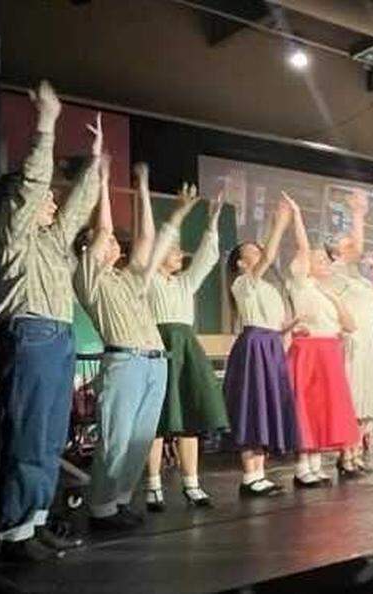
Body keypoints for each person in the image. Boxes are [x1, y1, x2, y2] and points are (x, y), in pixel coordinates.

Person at [0, 81, 98, 560]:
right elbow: (34, 187)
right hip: (30, 334)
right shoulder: (11, 235)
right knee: (29, 436)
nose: (53, 203)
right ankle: (14, 532)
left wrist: (98, 164)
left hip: (58, 337)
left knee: (51, 438)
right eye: (43, 200)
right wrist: (47, 124)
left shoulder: (52, 244)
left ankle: (34, 522)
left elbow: (76, 212)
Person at [74, 156, 187, 532]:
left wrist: (140, 188)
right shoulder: (90, 278)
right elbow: (103, 230)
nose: (111, 245)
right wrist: (104, 183)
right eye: (101, 243)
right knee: (117, 439)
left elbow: (147, 241)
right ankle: (102, 508)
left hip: (154, 361)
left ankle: (119, 501)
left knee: (139, 440)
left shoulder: (127, 280)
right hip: (125, 362)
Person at [143, 167, 229, 512]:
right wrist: (179, 215)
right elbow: (160, 244)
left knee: (189, 418)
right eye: (174, 249)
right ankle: (153, 486)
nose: (179, 253)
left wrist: (211, 223)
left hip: (185, 347)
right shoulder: (148, 281)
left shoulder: (183, 284)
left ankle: (192, 484)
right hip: (159, 345)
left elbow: (207, 259)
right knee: (160, 420)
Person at [223, 193, 301, 496]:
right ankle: (249, 475)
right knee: (252, 406)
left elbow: (276, 325)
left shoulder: (267, 287)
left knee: (267, 406)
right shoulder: (242, 283)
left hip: (271, 345)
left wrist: (293, 326)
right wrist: (280, 222)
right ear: (243, 263)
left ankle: (259, 473)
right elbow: (269, 256)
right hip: (255, 346)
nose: (260, 255)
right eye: (252, 253)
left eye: (259, 251)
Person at [284, 195, 362, 484]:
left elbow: (350, 325)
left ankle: (316, 463)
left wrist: (333, 298)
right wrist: (296, 215)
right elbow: (303, 247)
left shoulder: (327, 293)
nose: (323, 261)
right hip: (310, 352)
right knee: (306, 407)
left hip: (329, 353)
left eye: (323, 259)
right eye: (318, 259)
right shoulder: (300, 283)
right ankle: (303, 466)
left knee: (322, 410)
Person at [325, 188, 373, 472]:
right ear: (338, 252)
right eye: (347, 243)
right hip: (354, 341)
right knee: (352, 396)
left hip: (371, 340)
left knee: (366, 397)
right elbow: (358, 248)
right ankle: (345, 454)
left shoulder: (359, 279)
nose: (352, 246)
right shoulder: (337, 270)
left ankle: (354, 452)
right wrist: (357, 214)